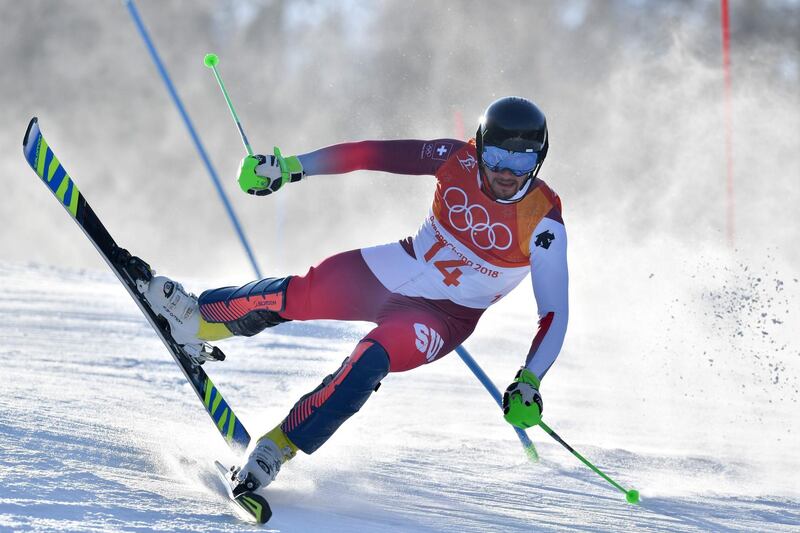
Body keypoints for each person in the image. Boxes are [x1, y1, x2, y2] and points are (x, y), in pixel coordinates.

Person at [139, 96, 568, 493]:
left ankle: (279, 446)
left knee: (370, 357)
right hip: (397, 265)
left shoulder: (543, 222)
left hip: (440, 318)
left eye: (522, 160)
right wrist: (291, 166)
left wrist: (530, 379)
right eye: (496, 157)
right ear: (478, 148)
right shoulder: (454, 158)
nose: (507, 173)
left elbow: (553, 312)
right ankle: (199, 322)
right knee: (303, 292)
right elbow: (369, 154)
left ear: (539, 159)